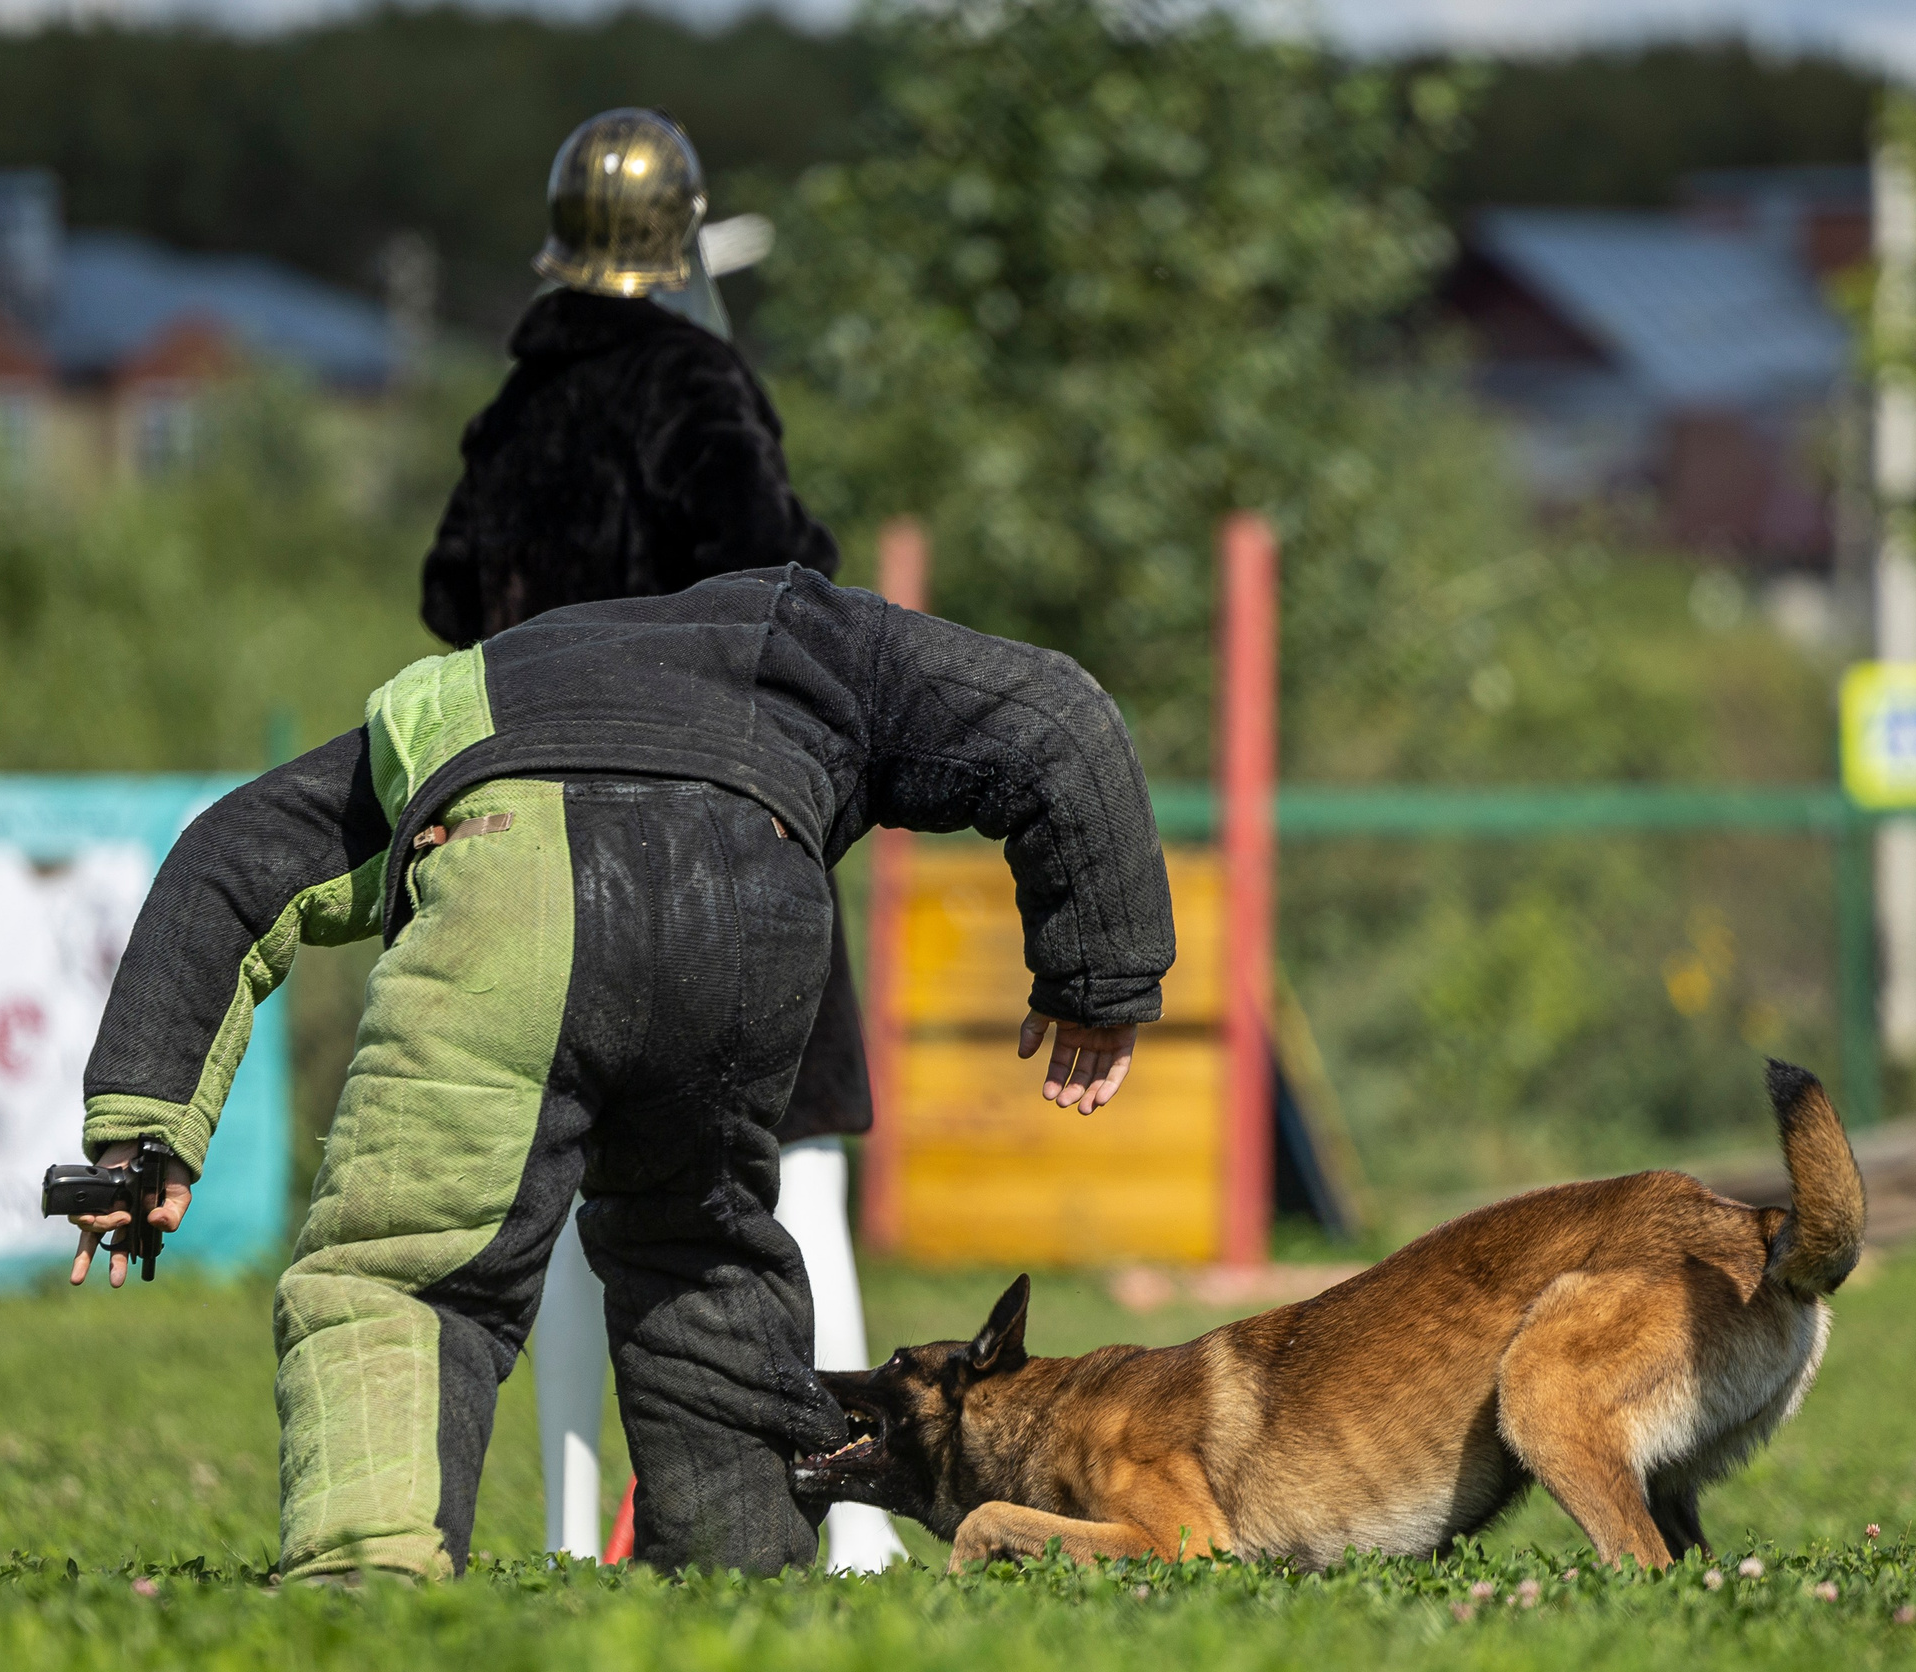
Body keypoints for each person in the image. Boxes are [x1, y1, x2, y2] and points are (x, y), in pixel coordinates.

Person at [67, 566, 1173, 1581]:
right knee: (702, 1259)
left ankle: (370, 1569)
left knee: (402, 1269)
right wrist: (1098, 974)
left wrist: (146, 1125)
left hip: (509, 879)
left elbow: (231, 857)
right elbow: (1054, 714)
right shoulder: (814, 630)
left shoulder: (464, 689)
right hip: (750, 898)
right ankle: (737, 1576)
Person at [419, 108, 893, 1569]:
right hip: (724, 834)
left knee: (561, 1197)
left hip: (539, 843)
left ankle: (569, 1532)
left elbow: (452, 604)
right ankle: (861, 1531)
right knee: (798, 1172)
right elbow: (784, 582)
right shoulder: (703, 381)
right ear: (683, 239)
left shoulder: (511, 415)